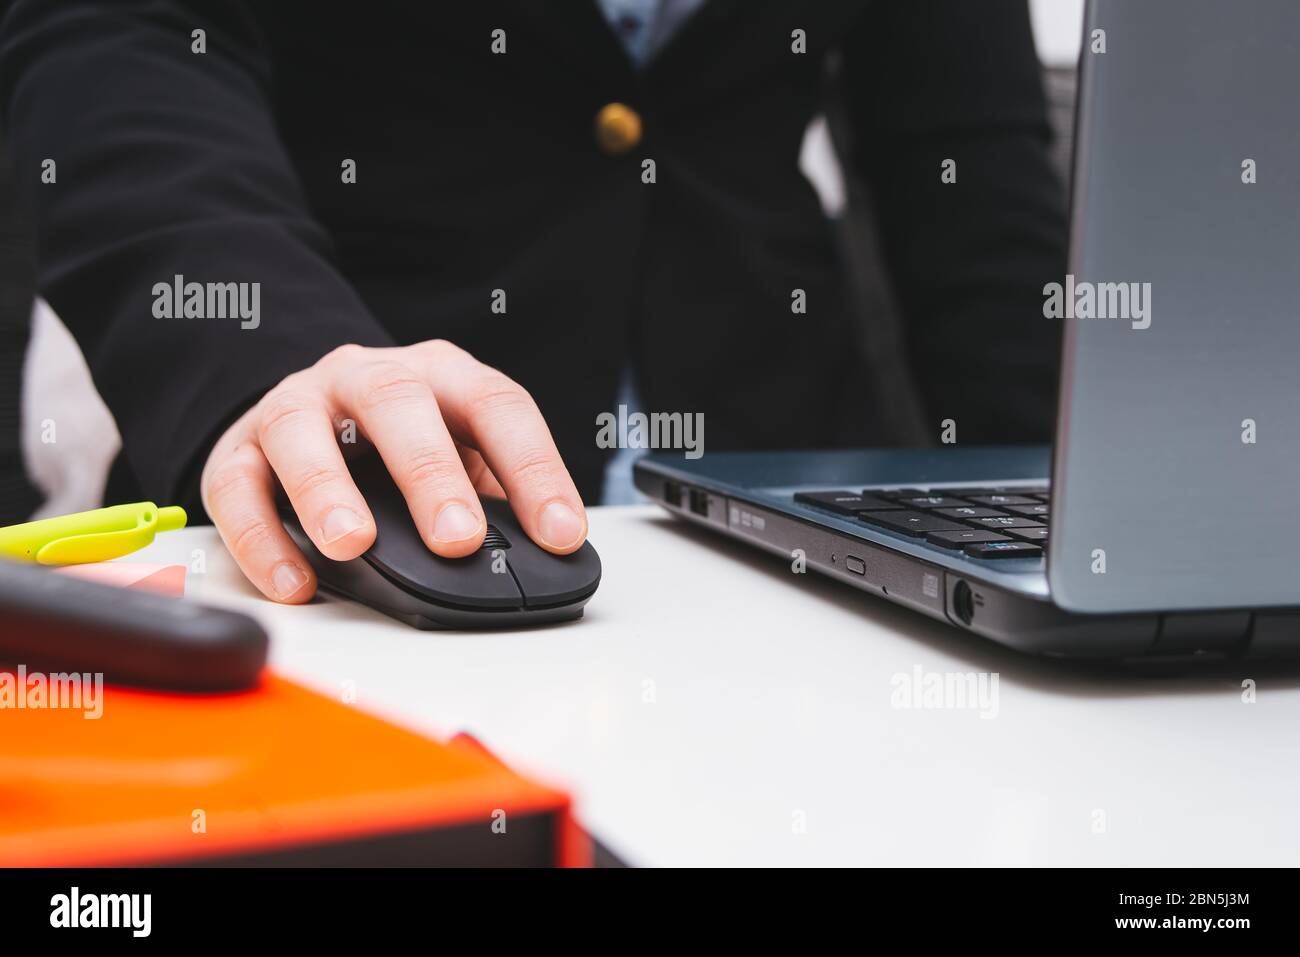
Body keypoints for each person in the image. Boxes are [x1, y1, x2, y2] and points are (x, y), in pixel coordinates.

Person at [0, 0, 1066, 604]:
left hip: (802, 511)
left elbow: (966, 159)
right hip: (331, 460)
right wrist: (272, 353)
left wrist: (1069, 502)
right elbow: (121, 33)